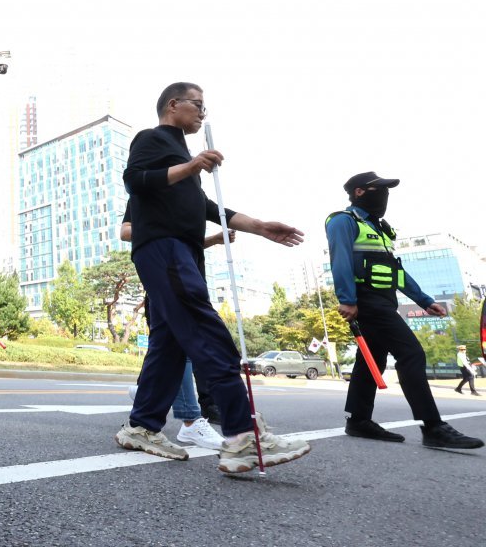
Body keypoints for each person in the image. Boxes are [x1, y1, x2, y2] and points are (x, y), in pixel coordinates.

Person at [118, 82, 311, 473]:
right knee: (206, 331)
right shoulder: (152, 138)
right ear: (174, 105)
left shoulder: (182, 158)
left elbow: (203, 205)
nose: (203, 113)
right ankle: (242, 435)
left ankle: (142, 426)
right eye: (198, 104)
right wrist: (190, 166)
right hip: (165, 250)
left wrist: (258, 226)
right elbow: (133, 179)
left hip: (182, 252)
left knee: (171, 343)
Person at [328, 172, 483, 448]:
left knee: (371, 361)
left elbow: (395, 271)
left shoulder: (380, 229)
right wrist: (347, 299)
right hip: (366, 299)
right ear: (360, 192)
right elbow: (339, 260)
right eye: (381, 189)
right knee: (411, 353)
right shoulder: (343, 221)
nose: (385, 194)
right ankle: (433, 427)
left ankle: (358, 420)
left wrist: (424, 300)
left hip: (385, 301)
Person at [120, 209, 227, 447]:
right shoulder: (149, 187)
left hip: (192, 284)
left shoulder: (191, 195)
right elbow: (126, 232)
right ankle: (190, 419)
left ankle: (147, 395)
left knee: (174, 350)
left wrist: (215, 239)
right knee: (176, 348)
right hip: (165, 283)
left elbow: (184, 242)